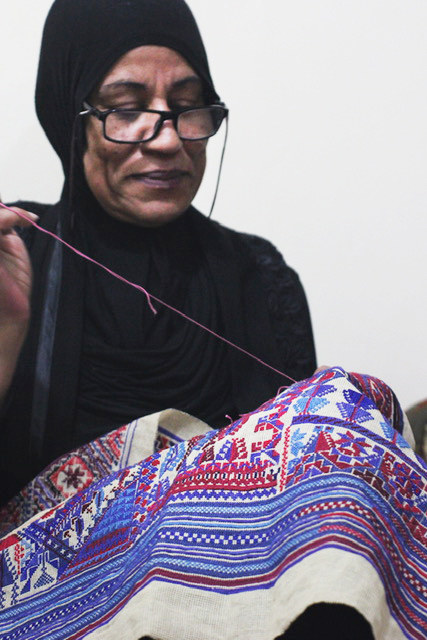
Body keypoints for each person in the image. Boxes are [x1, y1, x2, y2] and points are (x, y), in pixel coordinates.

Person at [0, 0, 316, 506]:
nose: (168, 139)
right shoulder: (12, 262)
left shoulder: (260, 279)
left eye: (188, 105)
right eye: (126, 109)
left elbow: (300, 493)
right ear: (68, 118)